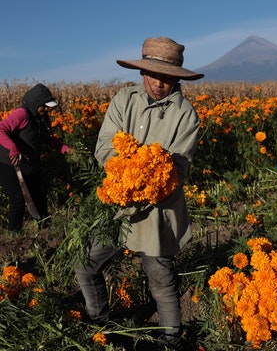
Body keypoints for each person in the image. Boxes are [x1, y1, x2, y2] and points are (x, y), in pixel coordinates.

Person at [74, 37, 204, 350]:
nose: (161, 83)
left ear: (177, 77)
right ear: (143, 72)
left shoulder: (186, 115)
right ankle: (100, 321)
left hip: (157, 210)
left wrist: (149, 183)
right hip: (117, 207)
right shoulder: (124, 100)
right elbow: (105, 145)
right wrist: (123, 173)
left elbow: (177, 169)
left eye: (168, 77)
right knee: (86, 266)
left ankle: (171, 337)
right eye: (155, 74)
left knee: (159, 275)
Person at [0, 83, 72, 234]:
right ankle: (14, 233)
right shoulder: (22, 114)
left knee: (39, 193)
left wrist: (65, 148)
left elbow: (48, 138)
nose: (46, 109)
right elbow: (1, 129)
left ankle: (45, 229)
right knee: (18, 198)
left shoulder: (43, 118)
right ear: (35, 103)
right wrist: (13, 148)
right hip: (6, 160)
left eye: (47, 106)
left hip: (26, 161)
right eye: (44, 106)